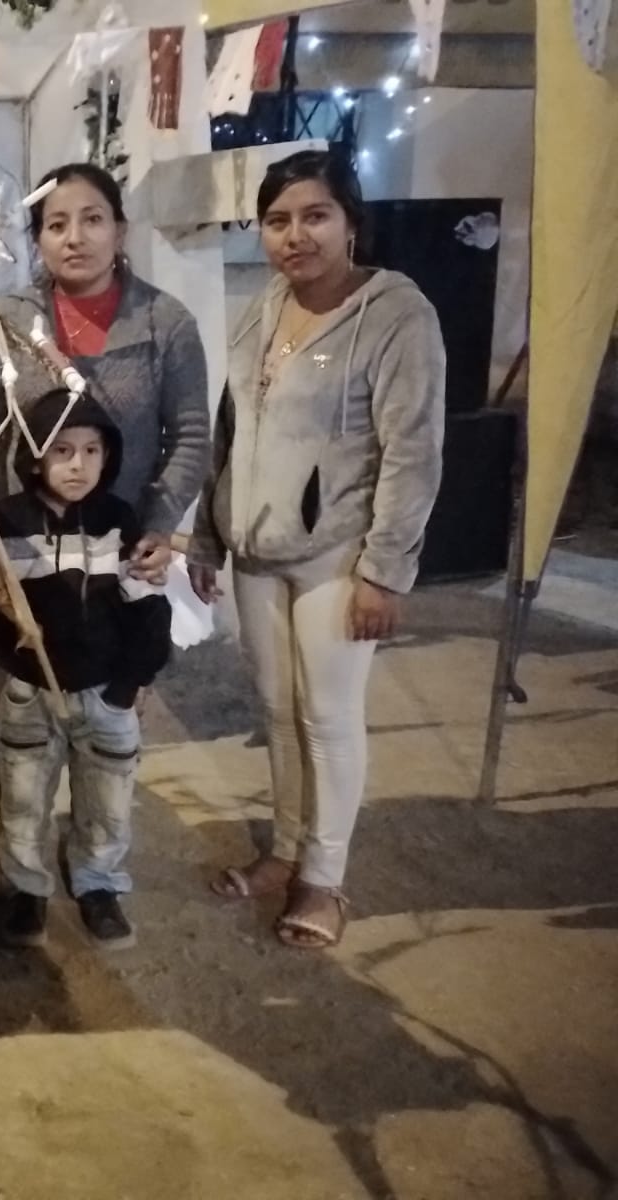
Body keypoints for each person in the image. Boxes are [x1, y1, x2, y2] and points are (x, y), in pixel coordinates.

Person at [188, 150, 446, 949]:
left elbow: (413, 452)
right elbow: (229, 430)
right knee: (276, 710)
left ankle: (324, 881)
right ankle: (287, 852)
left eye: (314, 216)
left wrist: (384, 572)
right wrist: (207, 534)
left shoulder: (398, 314)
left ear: (350, 221)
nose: (295, 236)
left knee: (328, 717)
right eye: (277, 221)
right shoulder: (264, 306)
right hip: (255, 549)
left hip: (339, 554)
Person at [0, 389, 172, 949]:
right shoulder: (6, 522)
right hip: (30, 690)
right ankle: (26, 886)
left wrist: (132, 683)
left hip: (107, 692)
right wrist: (4, 623)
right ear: (35, 458)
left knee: (108, 799)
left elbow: (146, 606)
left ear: (109, 457)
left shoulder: (117, 520)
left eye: (91, 451)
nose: (78, 464)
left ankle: (98, 883)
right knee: (23, 797)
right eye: (62, 451)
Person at [0, 161, 210, 576]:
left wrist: (159, 524)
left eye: (92, 220)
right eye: (56, 225)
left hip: (126, 547)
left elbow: (190, 437)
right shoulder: (8, 320)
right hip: (27, 551)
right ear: (37, 239)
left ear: (119, 231)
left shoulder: (165, 322)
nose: (75, 238)